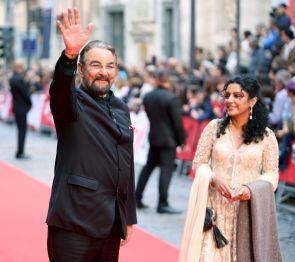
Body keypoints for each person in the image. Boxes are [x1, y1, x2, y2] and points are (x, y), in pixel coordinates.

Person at [46, 8, 137, 261]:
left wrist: (128, 217)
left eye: (110, 66)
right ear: (82, 70)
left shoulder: (121, 108)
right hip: (73, 222)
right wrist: (69, 56)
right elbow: (60, 90)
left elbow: (126, 165)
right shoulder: (72, 103)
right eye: (95, 65)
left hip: (110, 224)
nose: (103, 72)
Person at [180, 75, 281, 261]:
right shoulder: (214, 128)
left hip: (247, 211)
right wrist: (212, 177)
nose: (230, 100)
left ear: (252, 101)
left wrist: (250, 190)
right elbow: (198, 163)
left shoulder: (267, 136)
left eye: (237, 96)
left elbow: (272, 173)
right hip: (214, 212)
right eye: (227, 95)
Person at [135, 70, 186, 214]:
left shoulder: (148, 97)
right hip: (168, 140)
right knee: (166, 170)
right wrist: (182, 139)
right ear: (167, 81)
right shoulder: (171, 98)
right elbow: (177, 123)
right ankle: (162, 203)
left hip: (154, 137)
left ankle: (137, 197)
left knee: (148, 167)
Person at [10, 62, 32, 159]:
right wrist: (30, 103)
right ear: (18, 68)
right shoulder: (18, 80)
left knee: (20, 130)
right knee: (22, 131)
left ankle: (20, 151)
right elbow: (25, 93)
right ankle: (20, 152)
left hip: (16, 107)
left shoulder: (12, 79)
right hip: (21, 108)